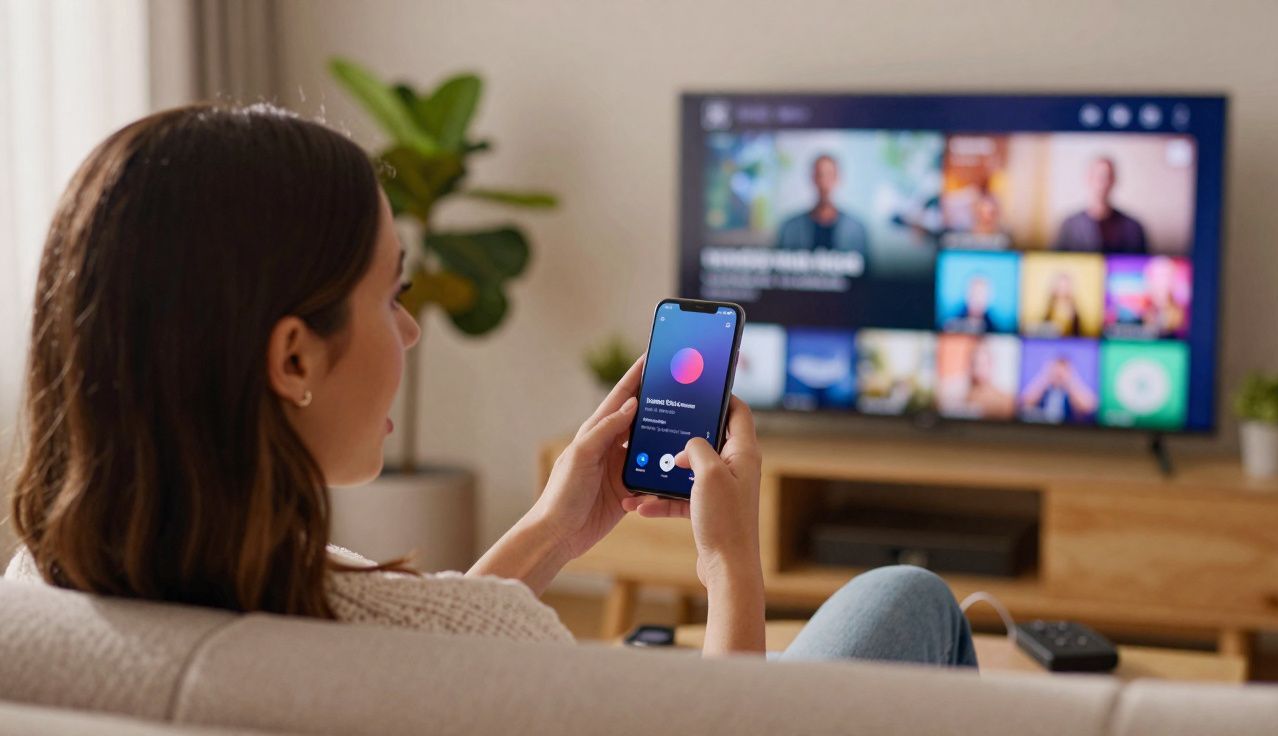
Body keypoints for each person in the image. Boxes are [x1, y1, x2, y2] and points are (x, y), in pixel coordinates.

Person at [5, 104, 974, 667]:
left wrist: (558, 524)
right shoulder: (431, 646)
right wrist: (730, 564)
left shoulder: (44, 596)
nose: (414, 325)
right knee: (910, 598)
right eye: (394, 291)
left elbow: (423, 648)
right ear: (294, 357)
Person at [776, 154, 871, 255]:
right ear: (813, 178)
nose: (824, 183)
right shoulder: (790, 229)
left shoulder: (856, 229)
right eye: (820, 175)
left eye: (829, 175)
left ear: (837, 178)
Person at [1054, 156, 1149, 253]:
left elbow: (1144, 264)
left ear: (1113, 180)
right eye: (1098, 176)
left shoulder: (1133, 227)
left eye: (1107, 177)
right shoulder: (1070, 226)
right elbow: (1056, 262)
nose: (1103, 183)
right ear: (1088, 178)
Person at [940, 339, 1014, 420]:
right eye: (974, 364)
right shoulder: (955, 396)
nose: (977, 370)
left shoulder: (1005, 400)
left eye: (983, 364)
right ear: (969, 366)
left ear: (990, 365)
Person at [1018, 356, 1098, 423]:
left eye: (1062, 371)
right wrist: (1045, 378)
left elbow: (1089, 407)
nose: (1058, 374)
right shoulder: (1043, 388)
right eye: (1055, 370)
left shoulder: (1072, 391)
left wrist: (1069, 381)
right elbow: (1024, 402)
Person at [1038, 271, 1083, 337]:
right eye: (1060, 286)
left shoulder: (1073, 308)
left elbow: (1080, 332)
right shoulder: (1049, 306)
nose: (1062, 289)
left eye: (1065, 286)